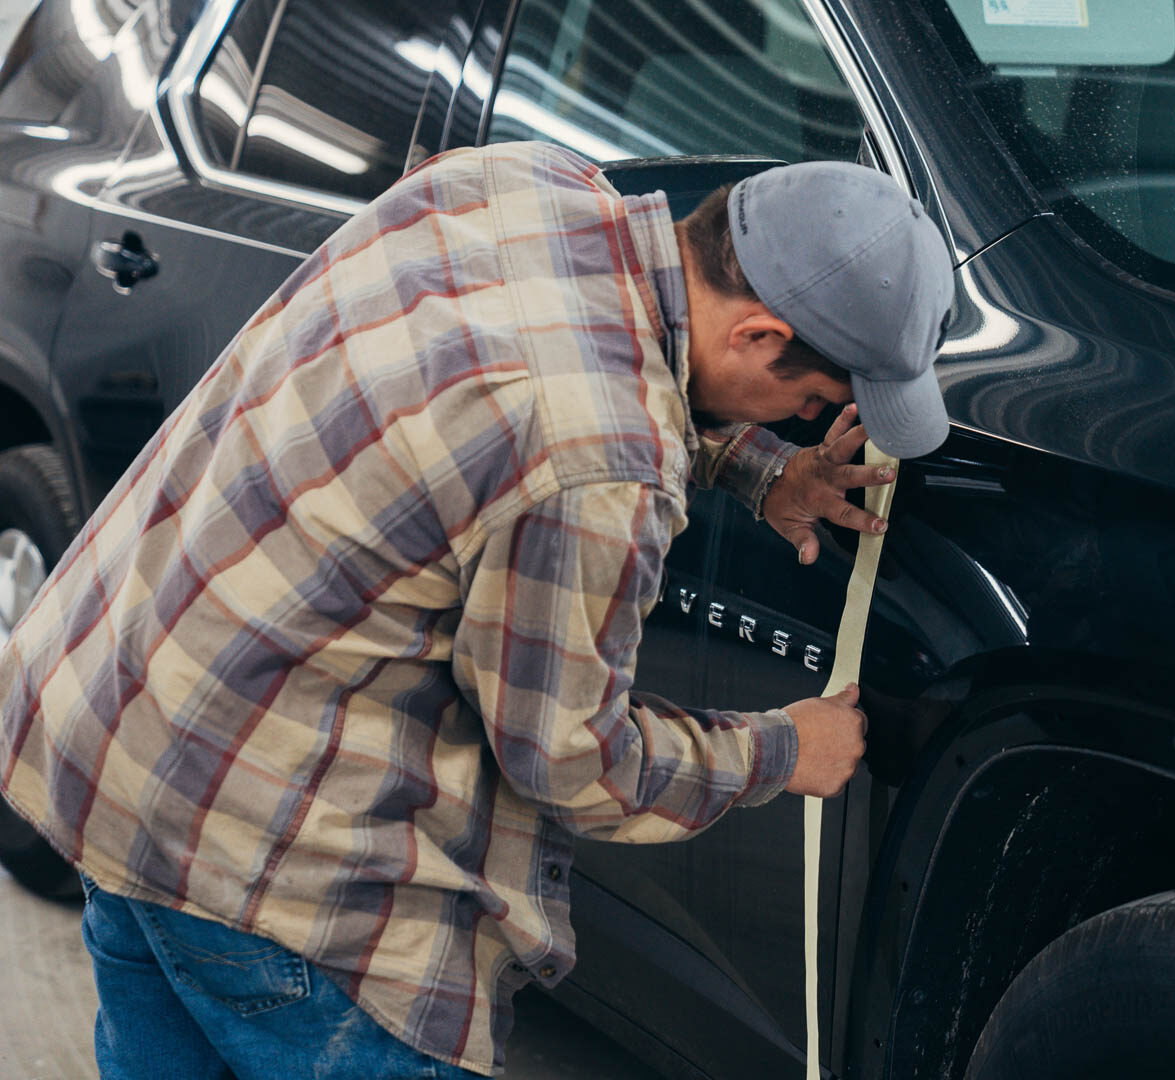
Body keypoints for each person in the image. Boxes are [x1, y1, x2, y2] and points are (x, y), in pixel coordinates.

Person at [0, 141, 954, 1079]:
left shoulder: (515, 179)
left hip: (113, 732)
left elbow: (527, 388)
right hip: (266, 870)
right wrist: (783, 750)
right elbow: (573, 762)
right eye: (810, 401)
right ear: (757, 336)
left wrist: (760, 467)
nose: (798, 422)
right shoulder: (603, 469)